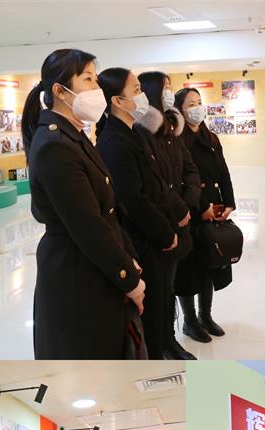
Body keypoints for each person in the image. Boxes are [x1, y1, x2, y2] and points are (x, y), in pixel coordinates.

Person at [21, 49, 146, 359]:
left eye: (96, 80)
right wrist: (128, 279)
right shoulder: (55, 145)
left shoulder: (73, 135)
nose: (96, 88)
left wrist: (129, 257)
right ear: (60, 91)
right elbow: (88, 226)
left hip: (92, 267)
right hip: (75, 274)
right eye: (88, 80)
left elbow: (108, 211)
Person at [96, 67, 181, 359]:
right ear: (117, 101)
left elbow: (156, 184)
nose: (143, 96)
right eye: (136, 90)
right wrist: (165, 232)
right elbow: (132, 199)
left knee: (160, 306)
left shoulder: (132, 133)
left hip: (153, 236)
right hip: (142, 240)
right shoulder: (114, 141)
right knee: (151, 316)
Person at [137, 70, 202, 360]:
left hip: (180, 220)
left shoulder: (172, 128)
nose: (168, 92)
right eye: (164, 87)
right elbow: (153, 185)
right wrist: (176, 211)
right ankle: (158, 344)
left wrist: (188, 205)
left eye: (170, 86)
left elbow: (190, 169)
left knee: (169, 287)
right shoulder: (142, 131)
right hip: (158, 225)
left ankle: (169, 340)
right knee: (157, 292)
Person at [174, 87, 236, 343]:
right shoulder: (176, 140)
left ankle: (206, 315)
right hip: (191, 210)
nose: (197, 108)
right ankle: (190, 321)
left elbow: (223, 172)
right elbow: (181, 180)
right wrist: (201, 207)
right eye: (191, 104)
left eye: (199, 102)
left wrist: (229, 202)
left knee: (210, 263)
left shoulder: (210, 138)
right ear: (179, 109)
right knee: (189, 268)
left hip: (215, 207)